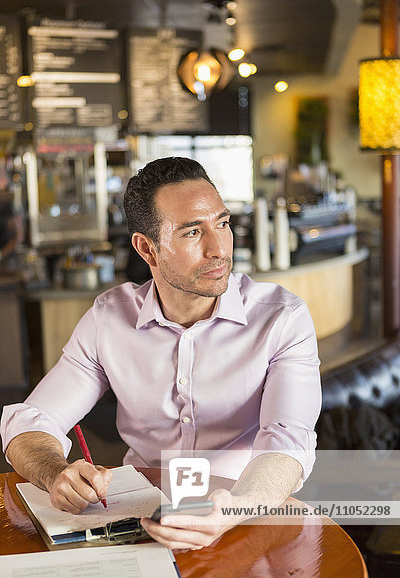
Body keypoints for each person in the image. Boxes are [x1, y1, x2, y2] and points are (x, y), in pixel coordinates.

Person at [1, 157, 321, 550]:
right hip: (137, 515)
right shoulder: (109, 318)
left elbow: (288, 442)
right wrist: (55, 474)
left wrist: (235, 507)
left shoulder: (282, 317)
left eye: (222, 224)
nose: (218, 249)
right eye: (192, 232)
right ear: (147, 249)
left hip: (247, 512)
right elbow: (29, 422)